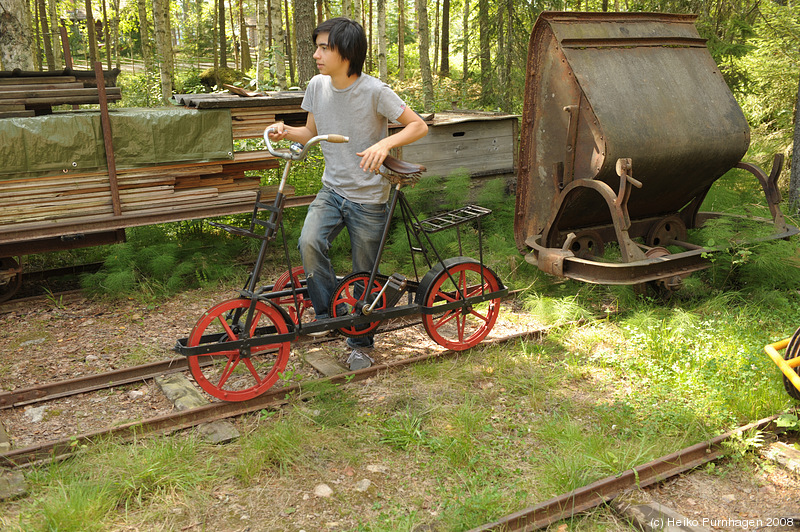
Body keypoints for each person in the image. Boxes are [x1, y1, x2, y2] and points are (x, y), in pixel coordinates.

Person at [267, 17, 428, 370]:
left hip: (369, 198)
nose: (316, 54)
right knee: (309, 242)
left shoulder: (375, 91)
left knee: (363, 275)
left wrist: (385, 143)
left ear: (347, 52)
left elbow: (418, 125)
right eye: (318, 46)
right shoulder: (317, 86)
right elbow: (310, 131)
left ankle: (360, 344)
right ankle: (329, 317)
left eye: (325, 47)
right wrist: (285, 131)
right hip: (332, 188)